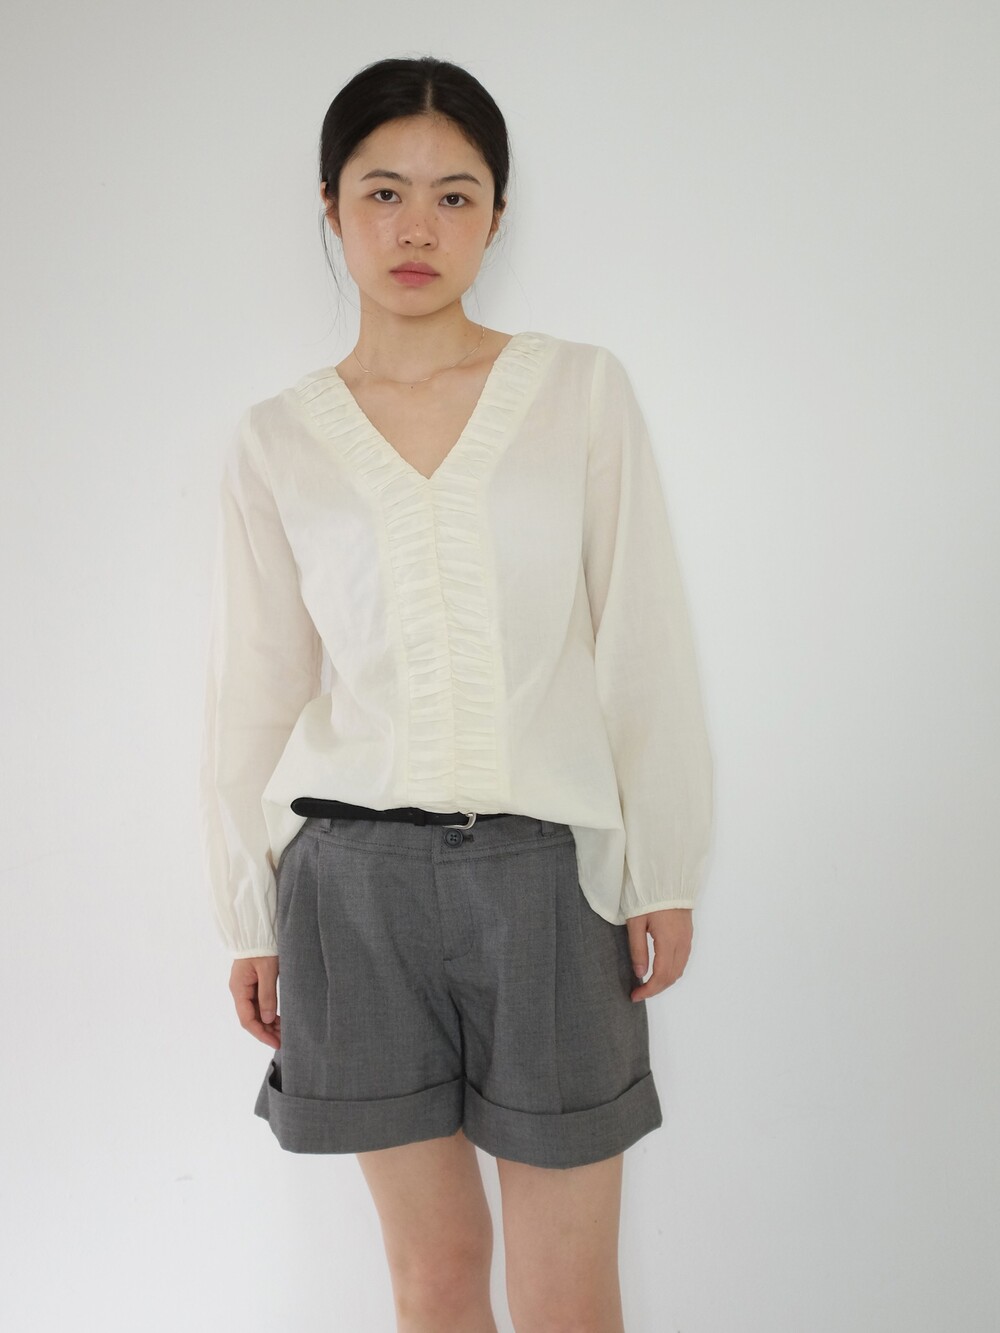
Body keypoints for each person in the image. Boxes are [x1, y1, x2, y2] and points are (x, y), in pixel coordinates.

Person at [199, 54, 713, 1333]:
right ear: (331, 208)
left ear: (497, 213)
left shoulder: (578, 391)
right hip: (350, 888)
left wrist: (661, 866)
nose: (416, 227)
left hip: (546, 877)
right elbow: (256, 684)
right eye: (382, 192)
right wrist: (247, 910)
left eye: (454, 194)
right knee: (429, 1277)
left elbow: (641, 633)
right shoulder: (278, 438)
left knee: (567, 1291)